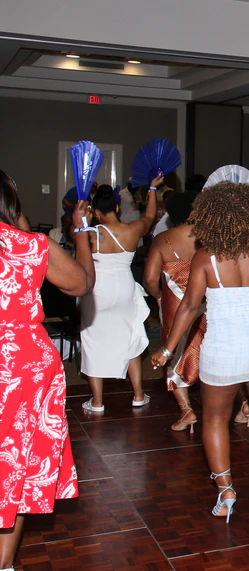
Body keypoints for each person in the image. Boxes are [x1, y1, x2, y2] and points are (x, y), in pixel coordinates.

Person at [153, 181, 249, 522]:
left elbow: (190, 306)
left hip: (224, 345)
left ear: (212, 217)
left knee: (215, 419)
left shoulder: (205, 257)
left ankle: (226, 490)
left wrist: (167, 349)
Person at [0, 171, 95, 571]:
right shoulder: (29, 244)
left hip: (20, 370)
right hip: (24, 366)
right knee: (16, 467)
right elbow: (81, 283)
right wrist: (80, 230)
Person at [79, 177, 163, 413]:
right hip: (125, 288)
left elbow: (78, 261)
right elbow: (150, 217)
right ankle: (138, 395)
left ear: (96, 213)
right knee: (131, 338)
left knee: (93, 340)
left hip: (98, 291)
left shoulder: (89, 234)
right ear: (117, 207)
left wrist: (82, 221)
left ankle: (97, 402)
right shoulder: (132, 230)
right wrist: (152, 188)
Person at [143, 190, 204, 432]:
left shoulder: (163, 240)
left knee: (173, 350)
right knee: (213, 349)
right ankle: (242, 403)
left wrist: (158, 296)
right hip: (208, 300)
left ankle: (186, 410)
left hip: (175, 303)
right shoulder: (209, 237)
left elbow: (149, 279)